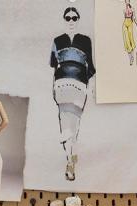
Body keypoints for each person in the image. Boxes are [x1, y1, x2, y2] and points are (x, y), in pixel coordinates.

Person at [50, 7, 95, 183]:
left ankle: (70, 159)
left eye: (74, 18)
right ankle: (70, 159)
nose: (71, 21)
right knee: (67, 125)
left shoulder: (85, 41)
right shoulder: (57, 41)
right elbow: (53, 66)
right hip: (62, 85)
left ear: (78, 20)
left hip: (78, 86)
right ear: (63, 19)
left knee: (71, 127)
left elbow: (90, 67)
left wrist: (87, 87)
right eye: (68, 18)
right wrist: (52, 88)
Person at [123, 0, 137, 66]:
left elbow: (134, 18)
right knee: (126, 40)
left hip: (130, 23)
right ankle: (131, 58)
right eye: (126, 1)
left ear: (129, 1)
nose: (127, 2)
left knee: (130, 39)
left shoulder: (132, 9)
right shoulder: (124, 9)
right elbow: (125, 17)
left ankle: (132, 56)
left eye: (128, 1)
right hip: (125, 23)